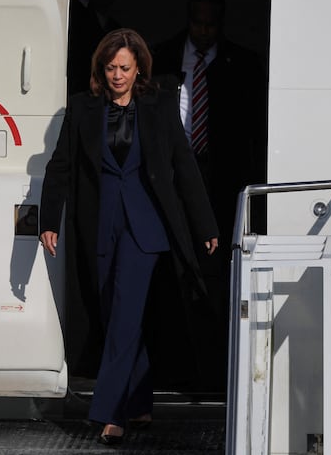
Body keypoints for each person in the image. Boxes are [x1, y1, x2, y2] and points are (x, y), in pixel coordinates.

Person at [39, 28, 218, 445]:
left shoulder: (158, 107)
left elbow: (183, 165)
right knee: (115, 314)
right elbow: (60, 166)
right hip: (99, 225)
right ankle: (139, 404)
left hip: (146, 229)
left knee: (122, 317)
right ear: (101, 69)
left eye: (124, 67)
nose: (117, 75)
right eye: (110, 67)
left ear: (139, 67)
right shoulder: (83, 109)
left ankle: (111, 411)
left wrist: (204, 224)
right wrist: (50, 219)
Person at [152, 0, 267, 391]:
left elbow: (252, 132)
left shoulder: (243, 63)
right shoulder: (161, 58)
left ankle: (212, 368)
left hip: (219, 181)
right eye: (197, 23)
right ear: (188, 20)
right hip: (169, 178)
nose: (203, 31)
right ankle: (171, 365)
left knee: (214, 270)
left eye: (210, 24)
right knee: (169, 268)